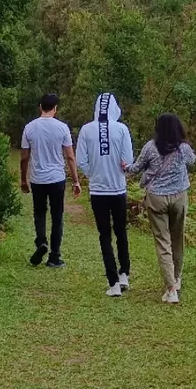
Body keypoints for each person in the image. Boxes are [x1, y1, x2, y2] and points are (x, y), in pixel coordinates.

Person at [128, 112, 196, 304]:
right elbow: (193, 161)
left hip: (156, 198)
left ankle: (171, 288)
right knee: (178, 238)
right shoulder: (183, 148)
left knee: (162, 242)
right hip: (179, 196)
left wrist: (125, 167)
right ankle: (178, 278)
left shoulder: (151, 147)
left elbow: (136, 168)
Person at [75, 92, 134, 298]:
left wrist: (93, 174)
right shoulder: (122, 129)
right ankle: (124, 273)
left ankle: (113, 283)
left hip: (98, 191)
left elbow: (81, 160)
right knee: (121, 232)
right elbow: (128, 160)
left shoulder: (86, 130)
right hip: (118, 189)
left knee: (104, 235)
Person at [20, 92, 80, 268]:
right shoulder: (62, 128)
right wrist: (76, 180)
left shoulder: (29, 128)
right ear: (55, 108)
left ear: (40, 107)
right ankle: (54, 256)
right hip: (56, 178)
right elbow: (70, 156)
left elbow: (24, 157)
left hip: (37, 178)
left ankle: (41, 242)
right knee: (57, 216)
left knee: (39, 212)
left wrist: (24, 180)